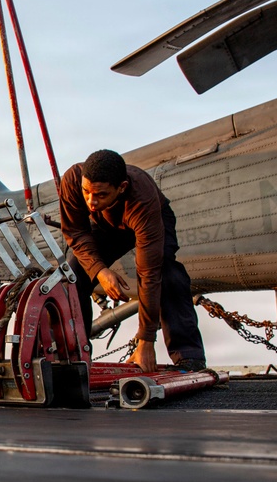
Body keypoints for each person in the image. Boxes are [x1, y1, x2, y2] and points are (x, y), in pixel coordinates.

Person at [58, 149, 206, 373]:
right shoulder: (72, 180)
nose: (91, 202)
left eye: (101, 194)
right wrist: (100, 271)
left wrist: (146, 340)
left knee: (167, 272)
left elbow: (149, 273)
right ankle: (76, 357)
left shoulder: (142, 199)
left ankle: (189, 357)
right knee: (74, 276)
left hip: (151, 218)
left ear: (122, 187)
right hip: (106, 223)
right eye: (86, 192)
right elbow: (76, 233)